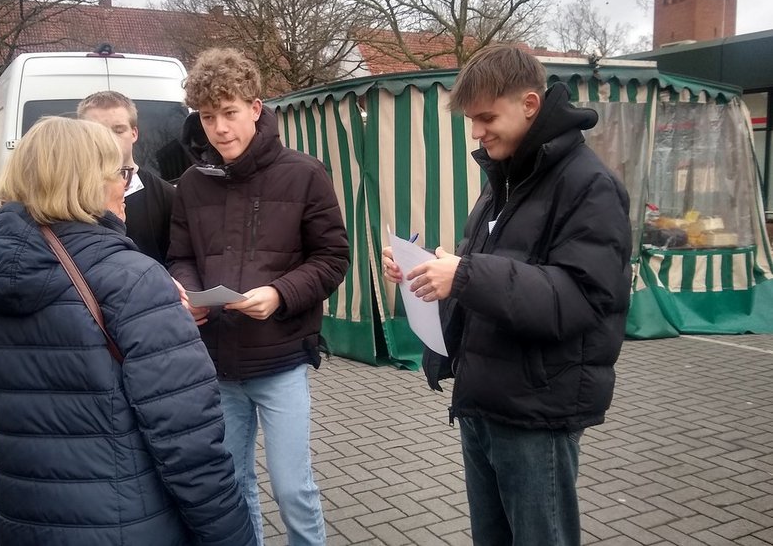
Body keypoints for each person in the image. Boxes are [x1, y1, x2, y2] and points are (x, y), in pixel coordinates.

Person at [383, 45, 632, 546]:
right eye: (472, 120)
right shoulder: (506, 177)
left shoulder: (589, 185)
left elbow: (582, 296)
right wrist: (433, 270)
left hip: (535, 411)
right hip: (484, 399)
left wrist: (468, 274)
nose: (476, 132)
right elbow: (497, 271)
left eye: (486, 117)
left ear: (531, 105)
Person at [0, 116, 255, 546]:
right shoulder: (133, 279)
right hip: (127, 523)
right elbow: (188, 444)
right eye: (121, 173)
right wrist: (232, 535)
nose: (128, 185)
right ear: (87, 182)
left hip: (26, 520)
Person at [167, 48, 350, 546]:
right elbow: (179, 255)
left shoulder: (305, 173)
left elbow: (333, 258)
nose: (220, 128)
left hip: (281, 359)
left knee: (293, 489)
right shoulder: (190, 184)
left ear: (255, 107)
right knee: (234, 484)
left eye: (229, 113)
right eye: (207, 117)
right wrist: (189, 293)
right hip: (218, 363)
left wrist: (279, 292)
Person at [78, 90, 176, 265]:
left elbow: (176, 261)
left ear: (134, 133)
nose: (108, 140)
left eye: (118, 130)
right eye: (97, 132)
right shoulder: (67, 195)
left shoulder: (166, 195)